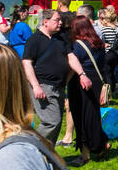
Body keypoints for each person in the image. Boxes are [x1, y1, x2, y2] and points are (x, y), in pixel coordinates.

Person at [21, 9, 78, 143]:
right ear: (45, 22)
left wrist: (80, 74)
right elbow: (27, 64)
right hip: (43, 86)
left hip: (59, 86)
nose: (61, 23)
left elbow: (70, 57)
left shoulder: (61, 38)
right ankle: (31, 146)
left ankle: (47, 155)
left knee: (56, 123)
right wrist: (35, 86)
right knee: (51, 121)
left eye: (60, 20)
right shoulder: (34, 40)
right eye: (57, 20)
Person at [65, 15, 109, 166]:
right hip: (96, 80)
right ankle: (100, 143)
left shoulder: (77, 45)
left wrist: (64, 82)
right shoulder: (98, 43)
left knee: (81, 117)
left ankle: (89, 152)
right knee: (92, 115)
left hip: (81, 82)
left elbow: (72, 65)